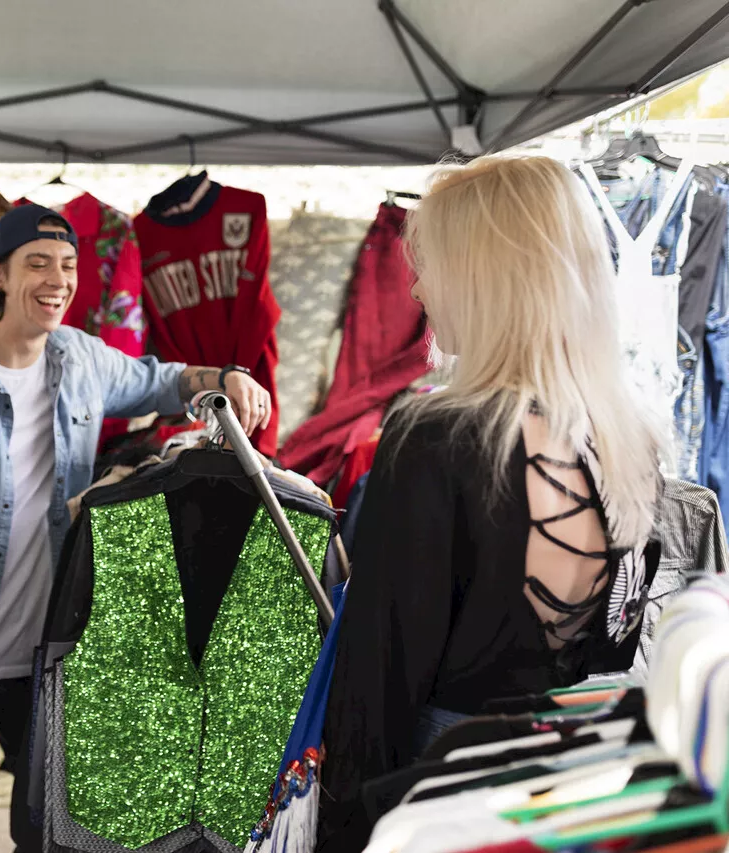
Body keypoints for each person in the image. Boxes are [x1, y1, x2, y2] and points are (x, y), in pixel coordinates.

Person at [317, 156, 666, 849]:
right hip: (574, 792)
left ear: (486, 276)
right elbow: (615, 648)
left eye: (432, 264)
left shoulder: (437, 436)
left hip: (443, 793)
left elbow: (378, 682)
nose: (416, 285)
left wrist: (341, 830)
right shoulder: (629, 439)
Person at [0, 203, 274, 852]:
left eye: (69, 266)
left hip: (52, 657)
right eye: (39, 263)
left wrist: (225, 378)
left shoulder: (83, 359)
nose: (58, 279)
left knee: (46, 833)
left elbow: (165, 383)